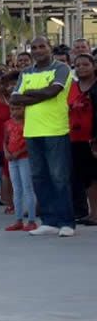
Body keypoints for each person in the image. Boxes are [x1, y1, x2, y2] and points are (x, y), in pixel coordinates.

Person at [11, 36, 77, 237]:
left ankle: (66, 222)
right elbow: (15, 97)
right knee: (40, 178)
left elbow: (54, 91)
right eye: (34, 47)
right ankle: (49, 221)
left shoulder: (61, 68)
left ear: (50, 48)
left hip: (56, 130)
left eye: (42, 46)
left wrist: (29, 95)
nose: (38, 50)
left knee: (59, 178)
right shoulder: (26, 72)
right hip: (32, 131)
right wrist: (39, 94)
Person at [67, 53, 96, 224]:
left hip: (93, 138)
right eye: (77, 65)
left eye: (85, 64)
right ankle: (93, 212)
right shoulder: (72, 87)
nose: (81, 68)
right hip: (76, 138)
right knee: (87, 178)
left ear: (93, 66)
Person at [4, 104, 39, 231]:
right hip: (12, 159)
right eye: (12, 109)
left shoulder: (28, 123)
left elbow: (30, 142)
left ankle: (31, 220)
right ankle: (18, 219)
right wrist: (6, 152)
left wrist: (18, 152)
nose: (14, 111)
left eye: (18, 108)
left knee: (27, 187)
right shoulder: (8, 123)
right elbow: (5, 141)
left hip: (24, 158)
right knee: (17, 188)